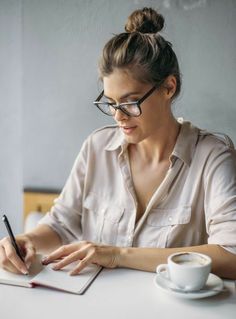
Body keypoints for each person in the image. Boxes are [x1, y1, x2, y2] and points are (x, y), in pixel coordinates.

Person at [1, 7, 236, 278]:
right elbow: (61, 225)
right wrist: (28, 240)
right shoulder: (96, 148)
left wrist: (116, 254)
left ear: (168, 88)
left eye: (130, 102)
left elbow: (231, 254)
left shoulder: (213, 157)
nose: (118, 116)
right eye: (111, 103)